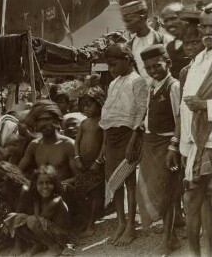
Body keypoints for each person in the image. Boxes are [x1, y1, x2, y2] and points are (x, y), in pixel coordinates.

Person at [168, 7, 212, 257]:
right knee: (197, 202)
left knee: (199, 202)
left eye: (211, 27)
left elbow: (197, 105)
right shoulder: (196, 63)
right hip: (197, 145)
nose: (207, 32)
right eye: (204, 27)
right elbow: (185, 112)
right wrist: (179, 145)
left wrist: (206, 105)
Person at [98, 43, 148, 246]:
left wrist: (133, 142)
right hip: (111, 137)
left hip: (129, 135)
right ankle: (120, 222)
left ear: (127, 60)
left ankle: (130, 226)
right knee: (113, 181)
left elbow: (141, 112)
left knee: (128, 181)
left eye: (113, 64)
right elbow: (107, 116)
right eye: (108, 66)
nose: (111, 69)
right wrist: (103, 145)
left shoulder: (138, 82)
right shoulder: (113, 83)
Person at [136, 44, 181, 255]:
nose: (153, 70)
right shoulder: (152, 86)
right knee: (153, 189)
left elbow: (179, 118)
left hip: (167, 145)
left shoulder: (173, 86)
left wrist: (174, 145)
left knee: (168, 191)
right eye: (148, 68)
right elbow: (148, 114)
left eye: (157, 66)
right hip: (151, 143)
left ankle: (168, 238)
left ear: (168, 63)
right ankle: (169, 231)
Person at [0, 165, 70, 256]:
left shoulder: (56, 200)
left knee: (30, 220)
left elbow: (39, 219)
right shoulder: (37, 200)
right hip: (46, 230)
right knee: (13, 218)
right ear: (35, 185)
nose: (45, 186)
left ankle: (54, 247)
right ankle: (39, 245)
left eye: (48, 183)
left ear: (54, 184)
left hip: (61, 236)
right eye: (41, 183)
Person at [19, 101, 77, 185]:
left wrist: (57, 186)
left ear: (56, 120)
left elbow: (78, 176)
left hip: (63, 193)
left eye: (47, 119)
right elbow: (18, 172)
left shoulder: (68, 145)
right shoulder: (34, 145)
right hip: (41, 193)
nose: (43, 123)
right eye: (39, 120)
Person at [74, 87, 105, 237]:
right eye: (83, 105)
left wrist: (98, 161)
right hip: (82, 164)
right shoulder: (84, 123)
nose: (86, 108)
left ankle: (91, 223)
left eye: (89, 105)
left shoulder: (103, 122)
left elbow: (105, 143)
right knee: (80, 192)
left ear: (99, 104)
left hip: (95, 163)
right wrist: (77, 158)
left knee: (95, 192)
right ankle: (86, 220)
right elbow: (76, 142)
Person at [121, 0, 172, 84]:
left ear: (143, 16)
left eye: (129, 21)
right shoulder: (129, 46)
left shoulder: (164, 40)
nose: (126, 25)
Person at [161, 2, 191, 78]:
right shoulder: (169, 47)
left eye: (173, 18)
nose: (169, 24)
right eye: (166, 21)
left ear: (185, 18)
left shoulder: (199, 42)